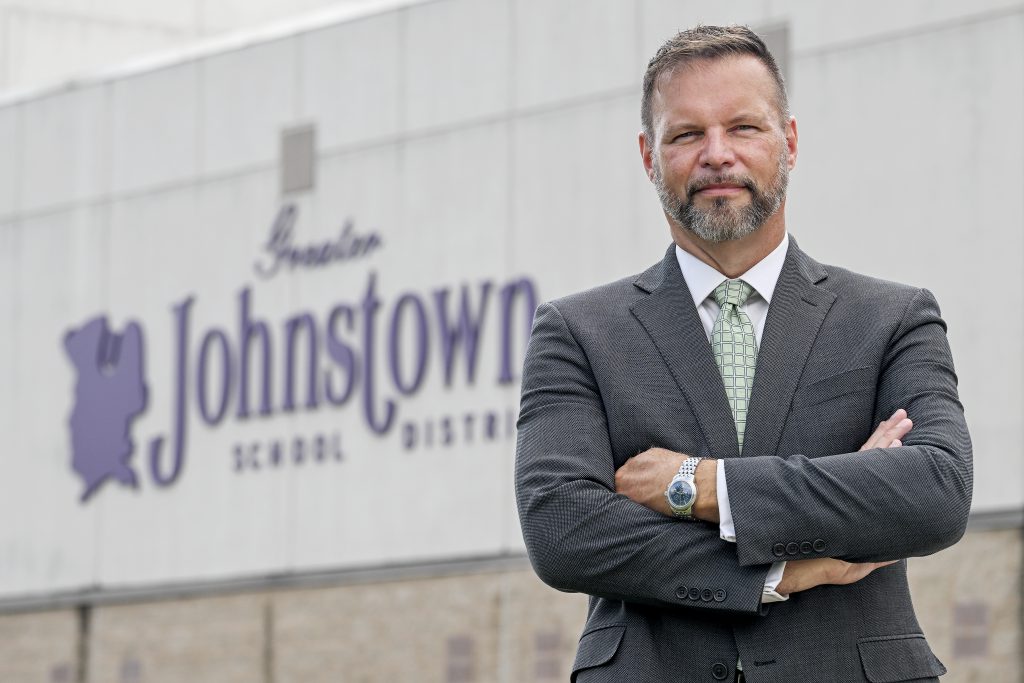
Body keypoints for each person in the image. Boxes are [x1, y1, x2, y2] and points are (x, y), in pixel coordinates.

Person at [514, 25, 972, 683]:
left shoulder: (892, 317)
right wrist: (784, 569)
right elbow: (565, 530)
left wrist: (701, 484)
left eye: (743, 128)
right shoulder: (578, 332)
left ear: (788, 141)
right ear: (649, 155)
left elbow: (935, 491)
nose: (716, 154)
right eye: (686, 134)